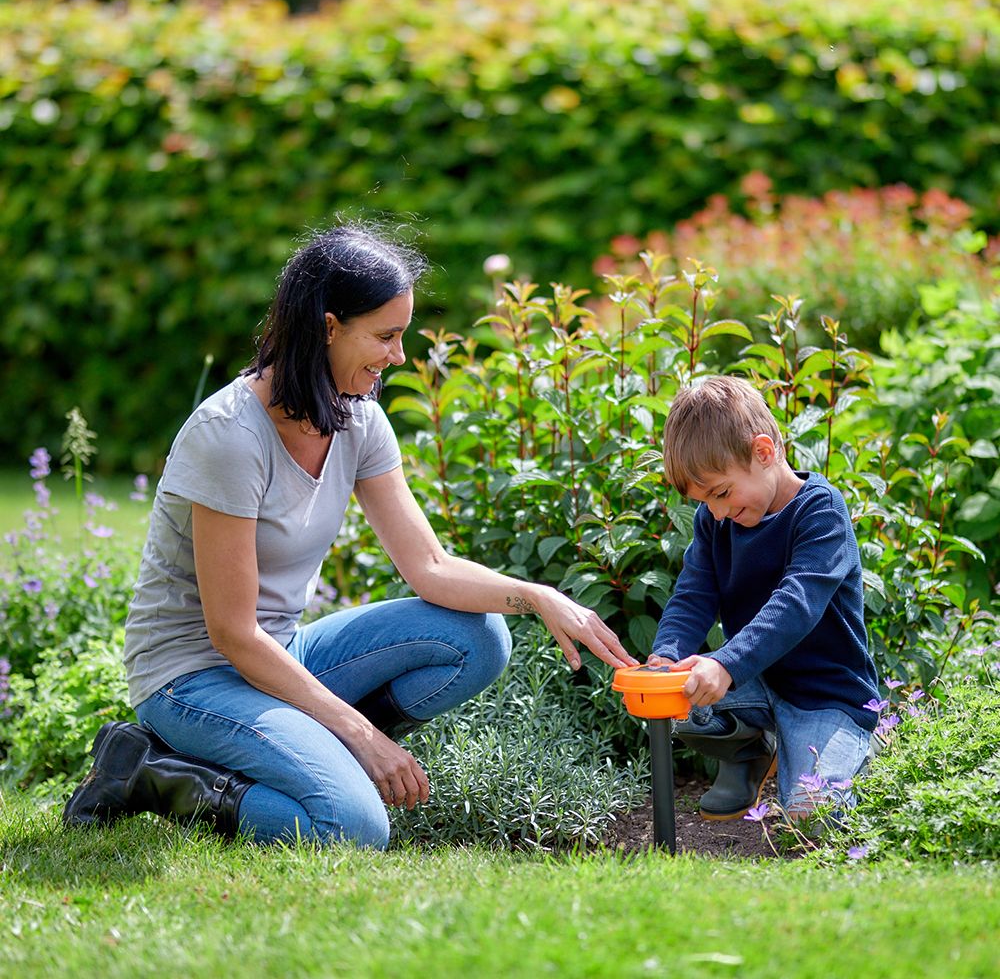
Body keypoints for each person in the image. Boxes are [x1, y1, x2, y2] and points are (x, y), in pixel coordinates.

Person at [64, 223, 637, 848]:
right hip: (193, 676)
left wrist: (539, 595)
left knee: (478, 636)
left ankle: (302, 752)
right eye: (386, 336)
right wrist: (363, 737)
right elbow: (233, 633)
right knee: (354, 826)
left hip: (283, 652)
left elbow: (431, 567)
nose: (398, 356)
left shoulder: (357, 419)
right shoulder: (229, 436)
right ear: (328, 326)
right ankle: (152, 774)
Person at [647, 375, 880, 821]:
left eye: (721, 493)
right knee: (680, 699)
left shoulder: (820, 512)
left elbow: (795, 605)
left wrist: (726, 665)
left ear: (764, 452)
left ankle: (859, 743)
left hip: (826, 695)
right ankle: (749, 751)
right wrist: (666, 656)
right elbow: (694, 592)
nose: (716, 512)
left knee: (815, 816)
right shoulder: (715, 519)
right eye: (705, 501)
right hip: (755, 684)